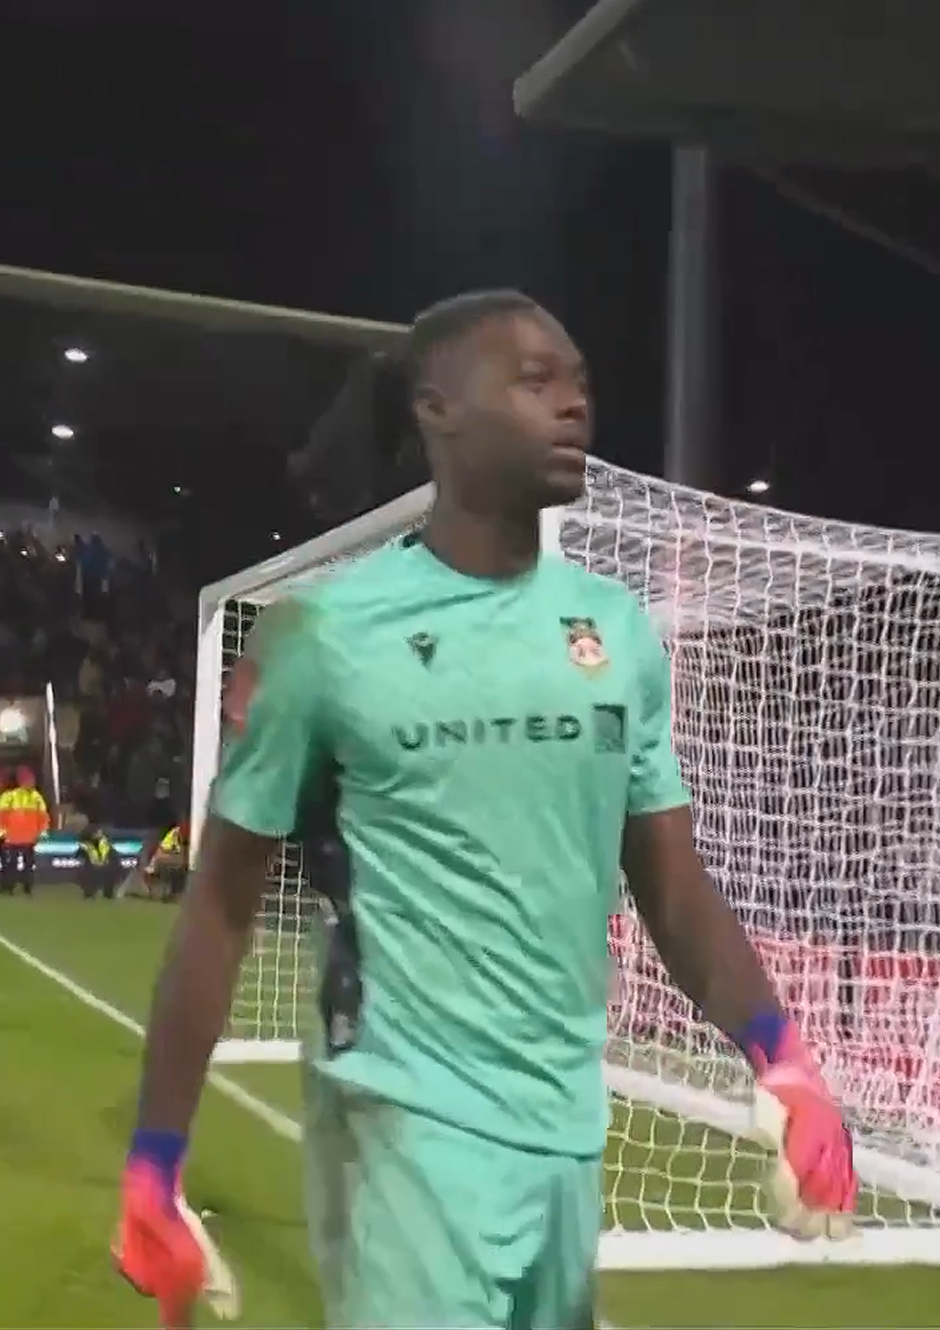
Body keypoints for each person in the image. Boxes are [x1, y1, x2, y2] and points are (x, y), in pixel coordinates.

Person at [114, 291, 855, 1329]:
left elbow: (672, 886)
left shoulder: (614, 632)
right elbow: (222, 904)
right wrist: (155, 1158)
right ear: (438, 410)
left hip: (566, 1133)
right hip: (397, 1123)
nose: (573, 404)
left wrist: (783, 1056)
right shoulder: (323, 636)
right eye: (535, 380)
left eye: (580, 383)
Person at [0, 766, 49, 896]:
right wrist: (2, 831)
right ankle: (8, 887)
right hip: (12, 837)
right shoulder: (9, 796)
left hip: (29, 837)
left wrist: (43, 830)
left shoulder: (36, 797)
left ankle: (27, 887)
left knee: (28, 864)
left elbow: (43, 816)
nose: (31, 782)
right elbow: (2, 815)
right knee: (11, 864)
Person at [77, 824, 121, 901]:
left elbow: (112, 853)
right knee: (89, 878)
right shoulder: (86, 845)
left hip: (106, 866)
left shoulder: (105, 843)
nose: (100, 834)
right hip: (91, 866)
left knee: (110, 876)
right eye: (98, 832)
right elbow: (81, 855)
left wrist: (111, 862)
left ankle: (108, 895)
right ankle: (89, 895)